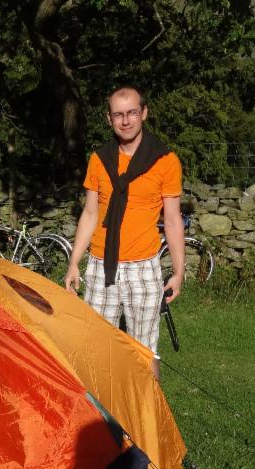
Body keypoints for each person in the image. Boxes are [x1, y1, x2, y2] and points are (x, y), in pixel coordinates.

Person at [64, 85, 184, 378]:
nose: (126, 121)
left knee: (144, 353)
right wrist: (73, 262)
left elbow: (172, 219)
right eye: (118, 115)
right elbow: (91, 213)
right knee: (95, 349)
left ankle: (147, 418)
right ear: (109, 119)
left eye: (132, 113)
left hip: (144, 268)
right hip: (100, 267)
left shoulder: (165, 160)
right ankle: (101, 420)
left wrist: (179, 271)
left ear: (144, 113)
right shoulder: (99, 159)